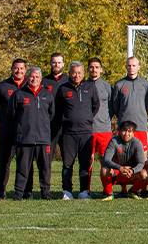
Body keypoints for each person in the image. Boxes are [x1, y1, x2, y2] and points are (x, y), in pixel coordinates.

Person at [6, 67, 55, 200]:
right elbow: (11, 114)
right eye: (32, 77)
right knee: (22, 168)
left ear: (41, 79)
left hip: (43, 139)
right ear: (27, 78)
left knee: (45, 168)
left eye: (37, 77)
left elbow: (51, 115)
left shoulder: (47, 95)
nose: (34, 79)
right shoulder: (18, 94)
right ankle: (18, 194)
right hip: (24, 138)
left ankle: (45, 193)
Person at [54, 61, 100, 200]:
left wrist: (85, 118)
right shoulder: (63, 89)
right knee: (67, 164)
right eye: (74, 72)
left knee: (85, 164)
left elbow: (95, 106)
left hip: (86, 133)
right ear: (69, 73)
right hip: (68, 133)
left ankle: (84, 191)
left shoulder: (90, 87)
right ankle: (67, 191)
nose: (77, 75)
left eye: (79, 72)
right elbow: (58, 109)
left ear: (83, 73)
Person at [0, 58, 27, 199]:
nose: (19, 71)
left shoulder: (30, 86)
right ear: (12, 69)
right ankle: (1, 190)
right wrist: (2, 119)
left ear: (25, 70)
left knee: (24, 162)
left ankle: (24, 191)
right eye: (16, 68)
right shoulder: (2, 86)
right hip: (8, 131)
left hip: (25, 132)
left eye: (21, 68)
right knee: (4, 161)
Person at [100, 120, 148, 200]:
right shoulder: (114, 141)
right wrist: (120, 168)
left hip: (130, 174)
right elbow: (106, 160)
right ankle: (109, 194)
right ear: (120, 131)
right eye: (124, 131)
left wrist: (132, 170)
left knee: (144, 174)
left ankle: (133, 191)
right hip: (116, 173)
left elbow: (141, 163)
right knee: (104, 170)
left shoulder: (137, 143)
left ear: (133, 133)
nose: (126, 134)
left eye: (129, 131)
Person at [111, 56, 148, 151]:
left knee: (142, 154)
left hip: (140, 125)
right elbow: (115, 104)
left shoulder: (146, 84)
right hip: (124, 125)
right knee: (123, 153)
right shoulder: (119, 84)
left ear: (138, 67)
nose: (131, 67)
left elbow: (147, 104)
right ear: (126, 67)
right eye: (129, 65)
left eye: (133, 65)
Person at [87, 58, 113, 170]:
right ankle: (85, 187)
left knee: (105, 159)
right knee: (88, 159)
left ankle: (106, 188)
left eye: (97, 67)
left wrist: (105, 118)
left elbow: (112, 106)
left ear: (101, 69)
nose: (94, 70)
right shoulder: (83, 85)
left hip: (104, 129)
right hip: (87, 129)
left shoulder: (107, 86)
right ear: (88, 69)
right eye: (92, 67)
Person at [42, 52, 70, 153]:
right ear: (50, 63)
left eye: (59, 62)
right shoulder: (43, 81)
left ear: (63, 64)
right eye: (54, 62)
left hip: (66, 124)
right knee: (47, 154)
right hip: (49, 124)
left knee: (67, 156)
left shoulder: (69, 81)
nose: (56, 65)